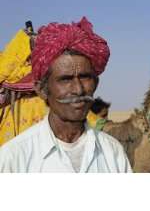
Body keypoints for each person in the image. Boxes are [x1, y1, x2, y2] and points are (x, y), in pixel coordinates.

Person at [0, 17, 132, 173]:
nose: (78, 89)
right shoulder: (14, 158)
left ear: (95, 83)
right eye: (65, 79)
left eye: (85, 77)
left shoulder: (113, 153)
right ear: (41, 90)